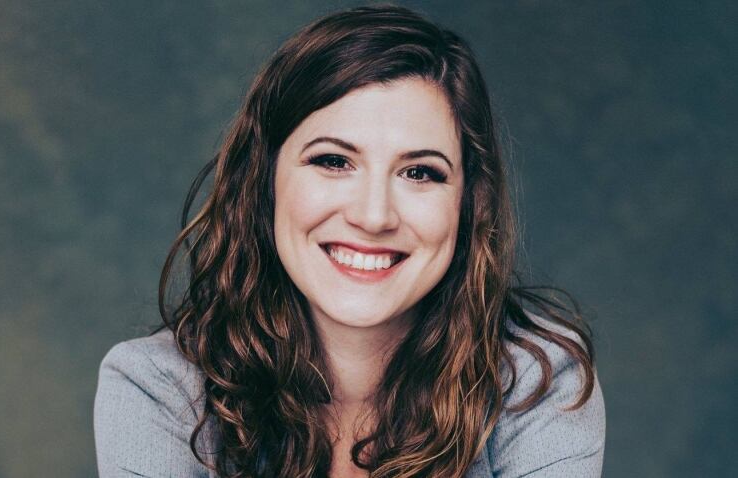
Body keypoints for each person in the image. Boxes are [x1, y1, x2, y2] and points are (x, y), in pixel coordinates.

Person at [94, 4, 605, 477]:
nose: (373, 215)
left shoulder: (538, 378)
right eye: (333, 161)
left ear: (468, 203)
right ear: (264, 183)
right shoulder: (158, 387)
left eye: (420, 172)